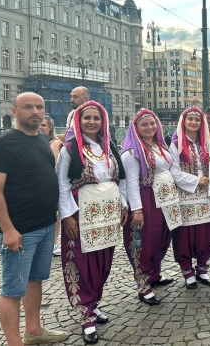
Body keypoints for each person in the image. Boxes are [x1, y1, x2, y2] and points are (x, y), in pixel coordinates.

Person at [0, 92, 69, 346]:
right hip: (20, 230)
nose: (35, 112)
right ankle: (14, 343)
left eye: (39, 107)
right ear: (14, 111)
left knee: (35, 281)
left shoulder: (42, 140)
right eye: (28, 107)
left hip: (45, 226)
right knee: (12, 289)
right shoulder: (4, 143)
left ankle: (33, 330)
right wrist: (9, 230)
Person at [57, 101, 128, 345]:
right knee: (82, 260)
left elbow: (120, 179)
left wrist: (124, 205)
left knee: (103, 260)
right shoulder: (70, 149)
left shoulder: (109, 147)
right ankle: (85, 314)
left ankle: (94, 304)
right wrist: (67, 216)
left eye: (96, 118)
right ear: (78, 120)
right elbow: (62, 185)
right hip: (81, 212)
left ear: (103, 121)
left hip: (106, 212)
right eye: (87, 117)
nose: (92, 122)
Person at [121, 109, 201, 305]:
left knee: (162, 238)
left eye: (152, 123)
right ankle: (143, 284)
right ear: (136, 128)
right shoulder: (132, 152)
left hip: (166, 200)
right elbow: (131, 182)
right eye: (144, 124)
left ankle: (154, 275)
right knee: (145, 241)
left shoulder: (160, 146)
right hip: (147, 200)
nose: (149, 127)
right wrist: (137, 210)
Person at [170, 107, 210, 289]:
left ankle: (202, 268)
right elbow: (175, 173)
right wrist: (196, 180)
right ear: (183, 121)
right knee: (185, 235)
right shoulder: (176, 144)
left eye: (197, 120)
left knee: (207, 233)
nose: (193, 122)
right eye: (190, 119)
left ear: (202, 123)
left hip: (207, 194)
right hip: (187, 194)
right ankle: (187, 270)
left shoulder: (206, 144)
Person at [39, 116, 63, 257]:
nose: (40, 127)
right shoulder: (37, 141)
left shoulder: (54, 143)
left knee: (55, 214)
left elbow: (53, 165)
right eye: (39, 125)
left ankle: (53, 243)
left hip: (52, 182)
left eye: (43, 125)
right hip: (40, 183)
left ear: (50, 128)